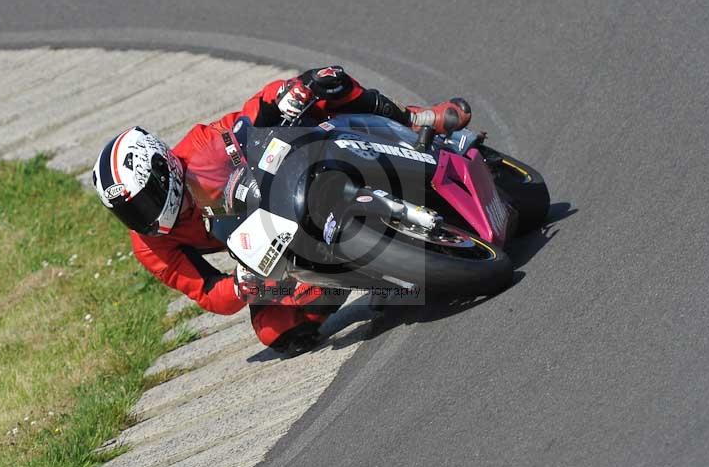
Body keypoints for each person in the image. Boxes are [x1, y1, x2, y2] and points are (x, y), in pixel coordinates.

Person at [91, 66, 471, 356]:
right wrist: (243, 284)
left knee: (325, 82)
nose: (143, 219)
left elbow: (249, 117)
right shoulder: (149, 244)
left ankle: (415, 119)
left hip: (296, 171)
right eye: (128, 212)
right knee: (276, 329)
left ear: (164, 170)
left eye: (141, 203)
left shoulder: (200, 149)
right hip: (276, 242)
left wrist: (288, 96)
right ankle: (375, 274)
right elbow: (207, 292)